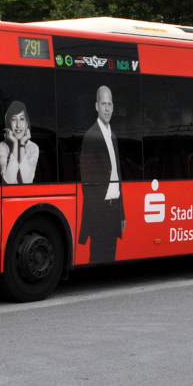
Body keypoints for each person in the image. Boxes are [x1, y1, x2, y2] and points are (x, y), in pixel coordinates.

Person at [77, 85, 125, 263]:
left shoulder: (112, 135)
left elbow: (117, 176)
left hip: (113, 210)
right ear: (96, 106)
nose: (107, 108)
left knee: (110, 257)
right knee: (98, 256)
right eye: (103, 104)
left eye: (109, 104)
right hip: (100, 211)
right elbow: (87, 181)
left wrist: (121, 214)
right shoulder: (91, 136)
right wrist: (97, 214)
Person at [0, 100, 40, 184]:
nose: (18, 125)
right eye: (13, 119)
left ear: (27, 124)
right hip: (7, 196)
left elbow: (26, 181)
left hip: (28, 196)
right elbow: (8, 181)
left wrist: (22, 145)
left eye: (21, 119)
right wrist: (15, 144)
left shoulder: (33, 147)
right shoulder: (2, 146)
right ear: (9, 124)